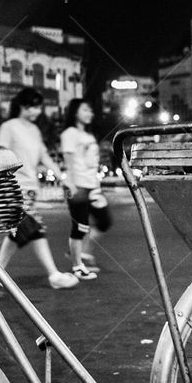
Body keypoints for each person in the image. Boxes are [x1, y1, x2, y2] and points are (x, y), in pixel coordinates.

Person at [0, 88, 79, 290]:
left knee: (17, 232)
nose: (38, 111)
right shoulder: (8, 127)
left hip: (30, 187)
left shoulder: (34, 130)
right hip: (11, 187)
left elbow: (44, 157)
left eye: (40, 107)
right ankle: (54, 275)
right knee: (35, 228)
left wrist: (62, 177)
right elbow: (0, 155)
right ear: (23, 106)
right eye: (35, 106)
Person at [60, 98, 111, 280]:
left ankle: (83, 253)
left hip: (92, 185)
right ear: (75, 113)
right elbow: (69, 161)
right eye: (85, 110)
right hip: (77, 185)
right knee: (80, 227)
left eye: (90, 111)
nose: (90, 113)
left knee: (104, 221)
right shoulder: (70, 134)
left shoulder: (89, 136)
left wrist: (96, 186)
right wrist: (71, 185)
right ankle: (77, 266)